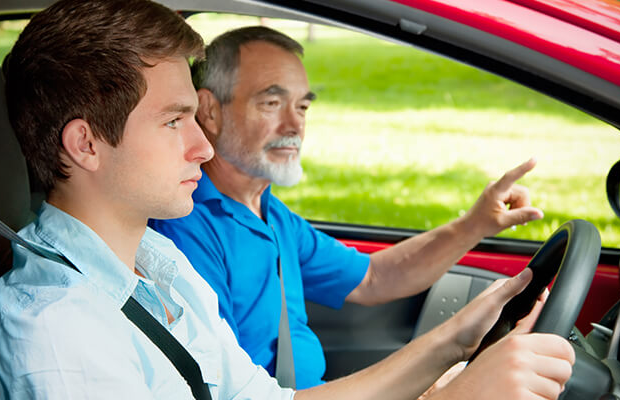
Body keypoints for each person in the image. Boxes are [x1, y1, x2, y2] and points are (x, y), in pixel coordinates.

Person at [0, 1, 575, 399]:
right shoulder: (58, 333)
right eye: (173, 120)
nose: (200, 148)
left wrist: (453, 341)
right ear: (86, 144)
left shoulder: (158, 269)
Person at [149, 26, 546, 389]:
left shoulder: (268, 211)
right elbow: (226, 391)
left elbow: (374, 278)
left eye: (302, 107)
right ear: (210, 111)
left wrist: (474, 224)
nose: (294, 125)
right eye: (272, 103)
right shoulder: (185, 228)